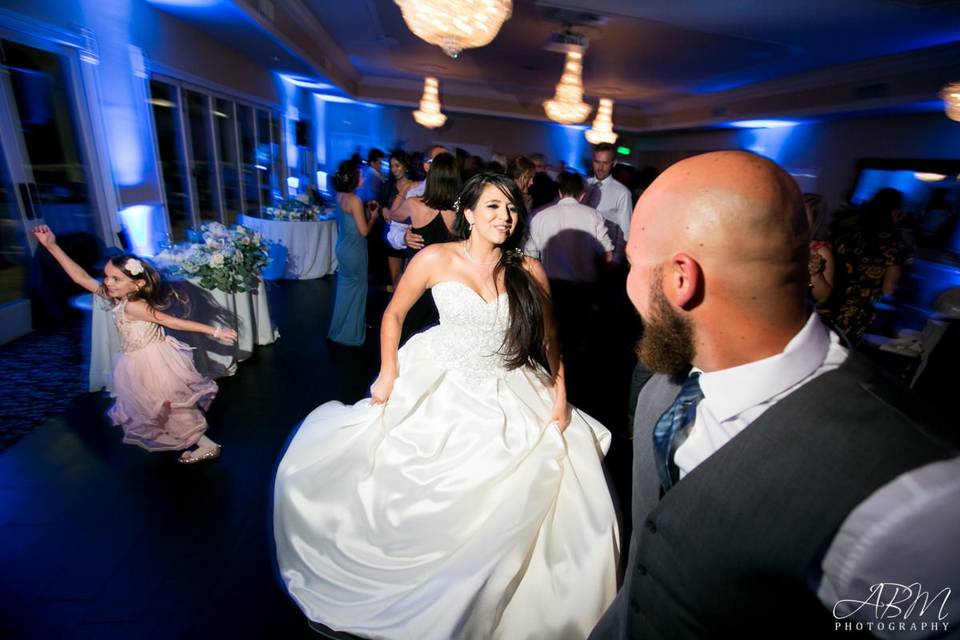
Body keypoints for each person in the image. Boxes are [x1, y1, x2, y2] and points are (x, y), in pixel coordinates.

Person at [590, 151, 958, 639]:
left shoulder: (911, 503)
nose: (628, 282)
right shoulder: (664, 387)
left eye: (634, 263)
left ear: (682, 278)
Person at [275, 173, 619, 640]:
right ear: (470, 214)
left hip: (509, 384)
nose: (505, 216)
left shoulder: (528, 271)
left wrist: (560, 397)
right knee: (409, 476)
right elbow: (394, 313)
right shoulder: (435, 258)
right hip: (439, 377)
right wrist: (388, 371)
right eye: (494, 207)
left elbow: (550, 339)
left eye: (512, 208)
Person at [32, 225, 238, 463]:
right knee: (155, 404)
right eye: (107, 276)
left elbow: (171, 321)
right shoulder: (119, 297)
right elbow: (81, 277)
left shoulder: (134, 305)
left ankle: (207, 444)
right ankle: (188, 436)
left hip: (153, 361)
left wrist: (214, 330)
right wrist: (51, 245)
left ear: (138, 284)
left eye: (116, 279)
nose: (108, 283)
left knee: (172, 406)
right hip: (135, 359)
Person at [524, 171, 613, 355]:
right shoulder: (593, 215)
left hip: (550, 287)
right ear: (582, 194)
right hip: (584, 289)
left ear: (559, 192)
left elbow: (530, 256)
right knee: (579, 344)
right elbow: (609, 255)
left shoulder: (540, 216)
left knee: (551, 340)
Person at [387, 152, 462, 341]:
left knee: (407, 329)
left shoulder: (413, 204)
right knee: (434, 334)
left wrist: (403, 191)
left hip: (416, 278)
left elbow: (392, 215)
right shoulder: (461, 213)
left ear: (432, 177)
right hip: (446, 280)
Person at [827, 187, 911, 343]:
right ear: (895, 212)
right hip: (858, 309)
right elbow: (889, 288)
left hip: (829, 297)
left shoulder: (848, 230)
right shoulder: (894, 244)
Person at [327, 160, 375, 346]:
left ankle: (337, 330)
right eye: (360, 175)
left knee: (344, 291)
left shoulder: (339, 195)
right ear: (353, 179)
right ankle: (351, 335)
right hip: (355, 250)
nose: (362, 177)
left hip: (342, 248)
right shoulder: (355, 200)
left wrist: (366, 212)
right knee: (358, 291)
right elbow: (364, 231)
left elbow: (351, 223)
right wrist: (374, 217)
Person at [585, 142, 633, 262]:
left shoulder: (622, 193)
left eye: (605, 163)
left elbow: (625, 231)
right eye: (597, 162)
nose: (600, 168)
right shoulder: (583, 185)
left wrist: (615, 262)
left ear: (613, 163)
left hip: (602, 256)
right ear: (592, 162)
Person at [804, 193, 834, 308]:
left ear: (815, 222)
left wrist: (815, 274)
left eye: (803, 218)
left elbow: (823, 297)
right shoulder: (777, 240)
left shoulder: (820, 251)